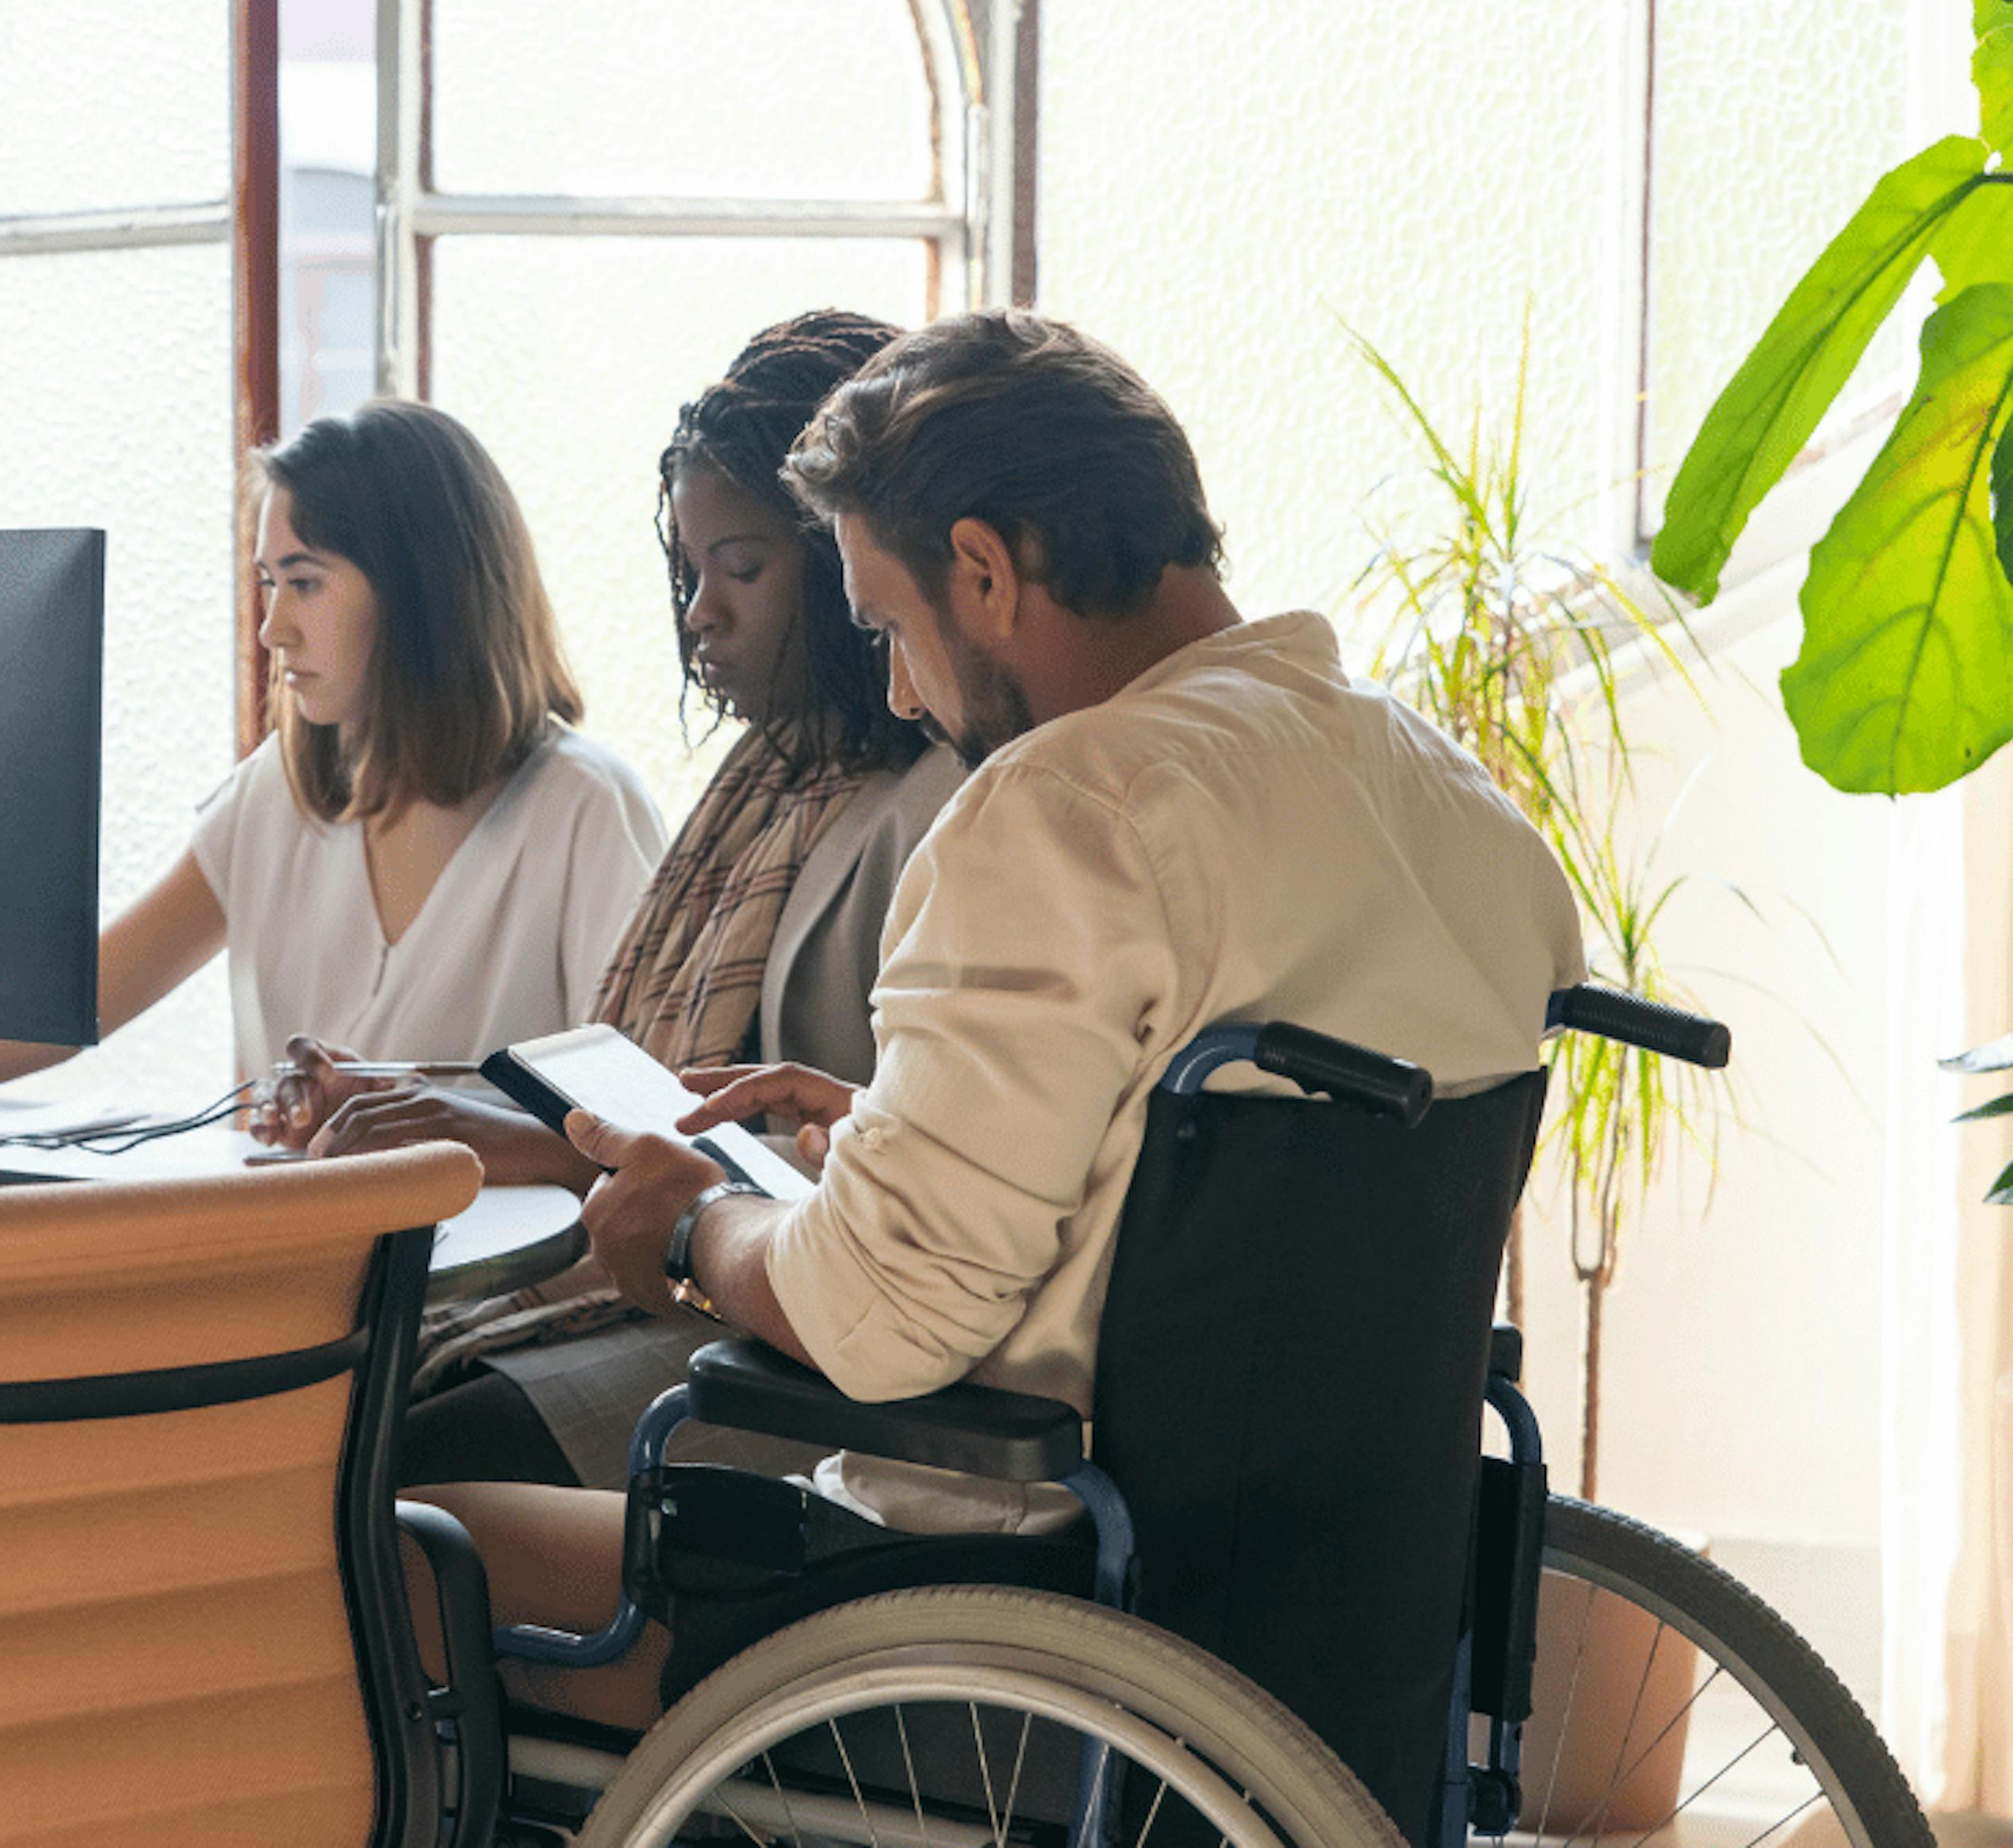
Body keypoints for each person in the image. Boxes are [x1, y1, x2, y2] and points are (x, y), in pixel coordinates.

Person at [542, 307, 1586, 1533]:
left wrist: (692, 1230)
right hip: (1326, 1577)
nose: (898, 692)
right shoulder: (1454, 799)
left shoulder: (1059, 811)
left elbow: (882, 1322)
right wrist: (897, 1136)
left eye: (887, 626)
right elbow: (1217, 1218)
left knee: (419, 1552)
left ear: (980, 572)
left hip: (989, 1597)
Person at [254, 312, 964, 1491]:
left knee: (389, 1458)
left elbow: (849, 1178)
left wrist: (517, 1144)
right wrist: (426, 1101)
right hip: (708, 1284)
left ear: (855, 551)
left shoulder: (933, 808)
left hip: (783, 1333)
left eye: (744, 569)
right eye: (689, 574)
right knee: (329, 1412)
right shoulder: (770, 784)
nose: (702, 616)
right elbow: (659, 1095)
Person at [0, 398, 670, 1104]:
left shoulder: (580, 810)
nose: (273, 630)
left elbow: (641, 1118)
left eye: (305, 580)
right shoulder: (283, 799)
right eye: (269, 584)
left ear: (425, 586)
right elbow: (62, 1011)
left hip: (474, 1305)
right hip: (299, 1283)